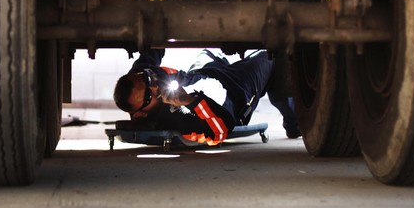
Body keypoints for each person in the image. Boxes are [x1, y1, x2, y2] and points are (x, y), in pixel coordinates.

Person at [113, 49, 300, 146]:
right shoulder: (176, 122)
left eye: (147, 80)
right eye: (148, 96)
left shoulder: (141, 76)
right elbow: (220, 132)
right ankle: (293, 124)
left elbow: (153, 49)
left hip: (206, 72)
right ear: (140, 115)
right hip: (236, 90)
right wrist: (189, 101)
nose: (154, 86)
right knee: (271, 57)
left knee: (207, 52)